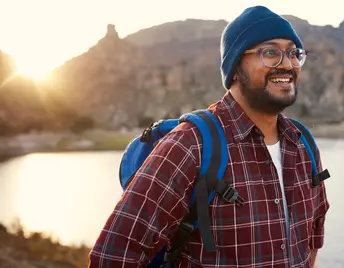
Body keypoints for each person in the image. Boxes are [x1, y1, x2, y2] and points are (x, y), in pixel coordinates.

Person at [88, 5, 330, 268]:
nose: (287, 64)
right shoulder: (190, 145)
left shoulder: (303, 144)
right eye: (270, 52)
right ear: (236, 67)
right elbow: (114, 256)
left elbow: (312, 241)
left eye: (294, 53)